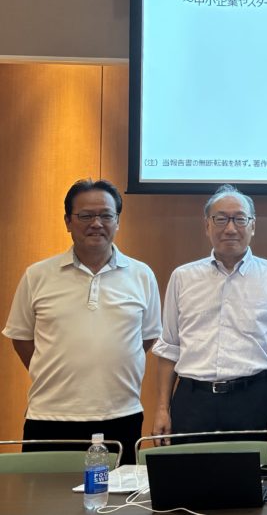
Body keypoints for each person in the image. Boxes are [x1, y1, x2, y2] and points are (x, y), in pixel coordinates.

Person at [3, 179, 161, 463]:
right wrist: (55, 369)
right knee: (44, 492)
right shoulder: (37, 275)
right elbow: (21, 338)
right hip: (49, 416)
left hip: (121, 415)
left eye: (106, 215)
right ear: (68, 221)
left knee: (116, 492)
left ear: (117, 221)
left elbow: (146, 337)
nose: (96, 224)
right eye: (86, 216)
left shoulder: (142, 275)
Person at [151, 185, 267, 447]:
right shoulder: (183, 277)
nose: (230, 228)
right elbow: (170, 348)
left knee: (253, 473)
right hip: (192, 401)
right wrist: (162, 409)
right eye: (221, 219)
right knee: (188, 471)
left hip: (252, 400)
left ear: (253, 225)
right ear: (207, 225)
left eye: (240, 219)